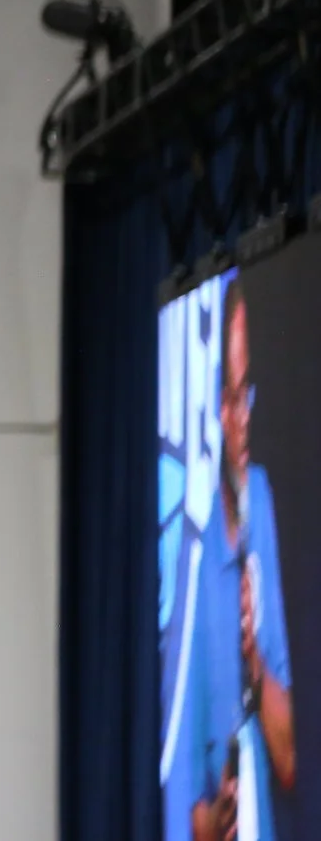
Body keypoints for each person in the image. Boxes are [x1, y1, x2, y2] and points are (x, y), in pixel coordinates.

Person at [191, 291, 296, 841]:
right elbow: (186, 805)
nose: (242, 420)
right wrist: (213, 820)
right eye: (228, 400)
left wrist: (253, 655)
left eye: (246, 392)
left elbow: (288, 760)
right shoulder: (189, 544)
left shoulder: (261, 496)